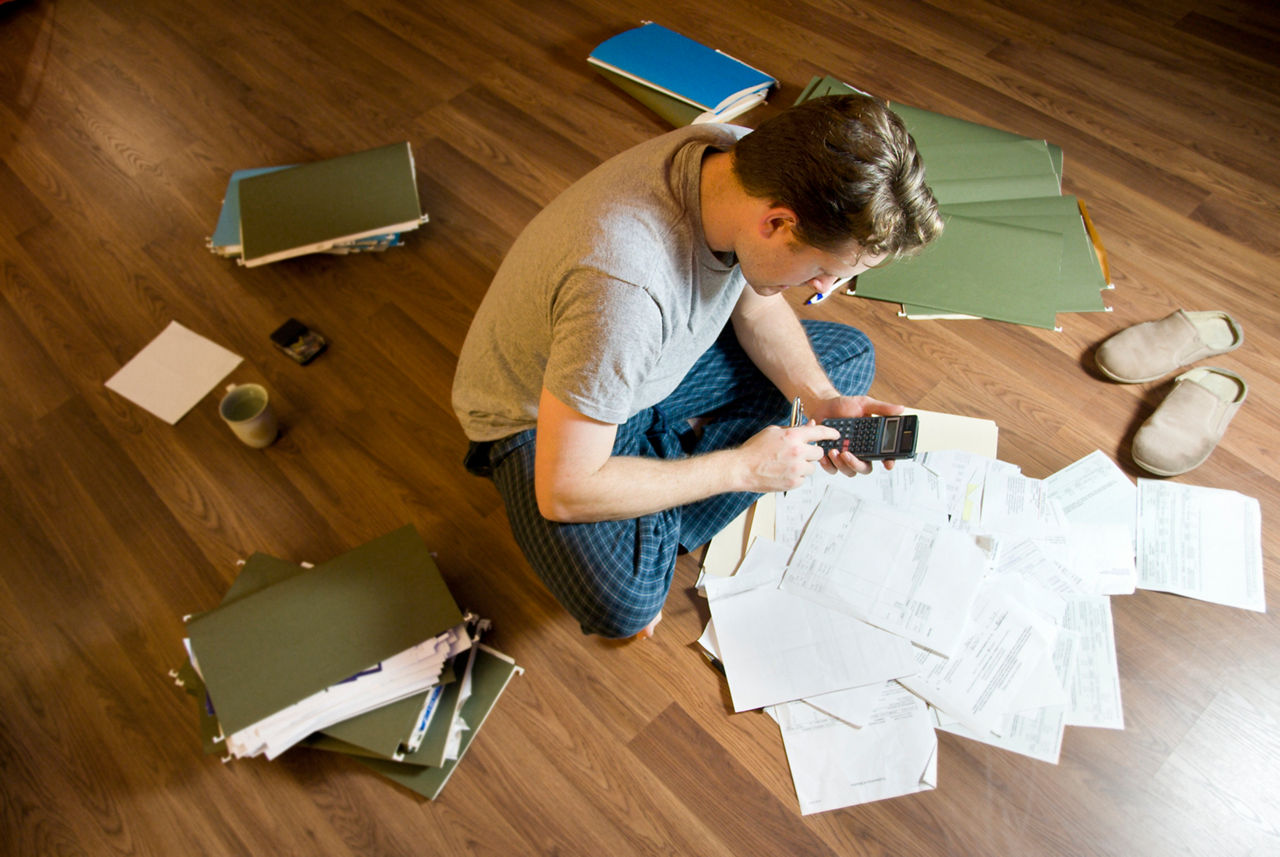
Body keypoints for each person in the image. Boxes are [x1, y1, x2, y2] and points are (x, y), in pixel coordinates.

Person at [452, 94, 942, 640]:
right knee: (628, 604)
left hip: (636, 365)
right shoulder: (623, 291)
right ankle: (664, 473)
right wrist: (743, 470)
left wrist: (824, 402)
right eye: (825, 270)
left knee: (847, 362)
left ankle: (654, 479)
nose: (824, 290)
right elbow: (564, 490)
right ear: (777, 223)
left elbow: (753, 299)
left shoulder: (740, 161)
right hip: (540, 420)